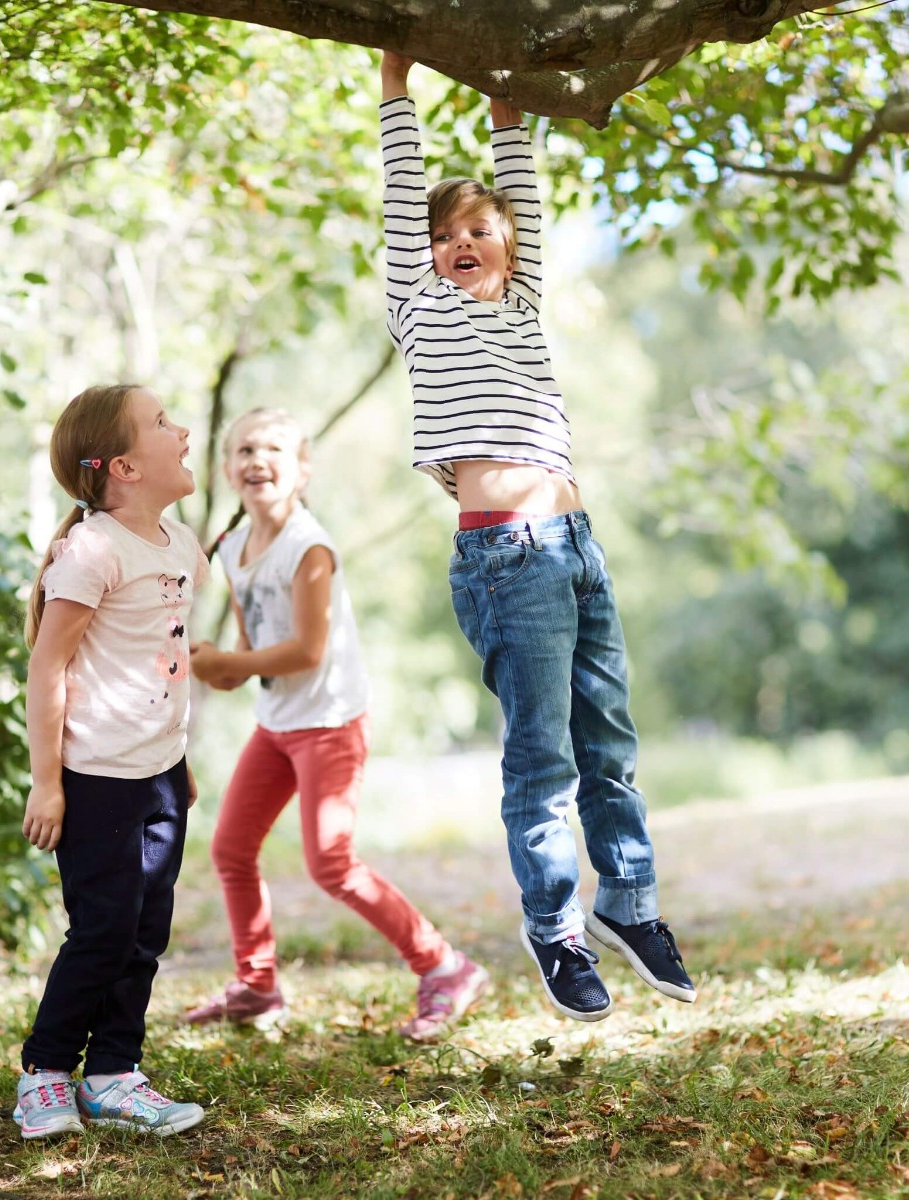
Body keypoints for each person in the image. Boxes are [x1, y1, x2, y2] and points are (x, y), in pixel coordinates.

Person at [378, 52, 698, 1022]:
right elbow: (401, 195)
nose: (461, 241)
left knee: (613, 746)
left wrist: (502, 96)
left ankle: (630, 905)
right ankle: (555, 927)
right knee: (546, 764)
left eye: (480, 228)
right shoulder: (418, 306)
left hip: (576, 545)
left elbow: (523, 187)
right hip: (506, 559)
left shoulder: (522, 304)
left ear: (510, 249)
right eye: (446, 234)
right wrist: (396, 82)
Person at [182, 407, 489, 1042]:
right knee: (231, 848)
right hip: (277, 722)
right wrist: (224, 668)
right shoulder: (235, 548)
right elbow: (255, 644)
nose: (255, 459)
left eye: (272, 447)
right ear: (226, 467)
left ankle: (446, 967)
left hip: (329, 723)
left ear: (302, 470)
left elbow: (306, 651)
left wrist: (230, 661)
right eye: (242, 449)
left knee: (331, 862)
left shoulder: (309, 545)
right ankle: (258, 984)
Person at [15, 384, 209, 1140]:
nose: (183, 430)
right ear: (123, 466)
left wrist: (178, 760)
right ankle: (45, 1072)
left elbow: (166, 655)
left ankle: (114, 1074)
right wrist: (47, 781)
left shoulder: (180, 544)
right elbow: (47, 667)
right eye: (165, 422)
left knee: (145, 929)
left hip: (158, 773)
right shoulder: (93, 547)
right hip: (96, 777)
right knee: (102, 928)